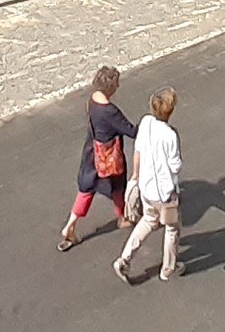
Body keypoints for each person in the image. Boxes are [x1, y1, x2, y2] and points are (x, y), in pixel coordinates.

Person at [58, 65, 138, 251]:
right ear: (111, 87)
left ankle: (71, 224)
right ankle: (122, 217)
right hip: (108, 155)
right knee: (117, 185)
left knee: (86, 189)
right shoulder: (110, 111)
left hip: (91, 151)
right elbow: (131, 131)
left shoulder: (92, 100)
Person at [115, 87, 183, 285]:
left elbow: (138, 151)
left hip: (147, 188)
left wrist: (135, 178)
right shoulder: (170, 135)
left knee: (148, 221)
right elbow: (175, 166)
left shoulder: (145, 122)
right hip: (165, 194)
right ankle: (168, 269)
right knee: (172, 229)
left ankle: (124, 259)